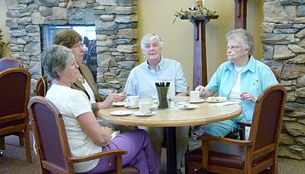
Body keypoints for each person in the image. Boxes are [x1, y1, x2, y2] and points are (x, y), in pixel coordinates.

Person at [42, 45, 159, 174]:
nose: (77, 67)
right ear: (60, 71)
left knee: (139, 155)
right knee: (142, 136)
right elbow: (102, 140)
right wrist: (107, 133)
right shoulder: (75, 96)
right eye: (72, 64)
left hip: (63, 161)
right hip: (88, 162)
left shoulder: (49, 95)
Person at [194, 28, 278, 139]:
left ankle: (241, 154)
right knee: (208, 131)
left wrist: (256, 99)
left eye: (233, 47)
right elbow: (209, 91)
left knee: (250, 141)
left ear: (246, 50)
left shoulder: (262, 70)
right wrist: (202, 91)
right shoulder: (223, 68)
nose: (228, 50)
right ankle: (213, 154)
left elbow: (275, 100)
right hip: (226, 116)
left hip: (251, 118)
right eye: (228, 47)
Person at [124, 33, 189, 172]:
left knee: (182, 133)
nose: (151, 49)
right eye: (147, 46)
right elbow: (130, 97)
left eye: (155, 45)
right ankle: (155, 170)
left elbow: (182, 92)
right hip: (148, 116)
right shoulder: (136, 72)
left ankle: (175, 168)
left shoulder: (175, 66)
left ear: (161, 47)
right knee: (151, 134)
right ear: (143, 50)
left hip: (173, 113)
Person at [53, 29, 130, 131]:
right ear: (64, 51)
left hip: (98, 116)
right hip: (86, 124)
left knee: (130, 124)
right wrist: (102, 104)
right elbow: (75, 107)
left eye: (81, 45)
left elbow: (96, 97)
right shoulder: (64, 79)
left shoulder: (84, 69)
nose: (82, 49)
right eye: (77, 46)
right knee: (131, 130)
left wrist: (113, 98)